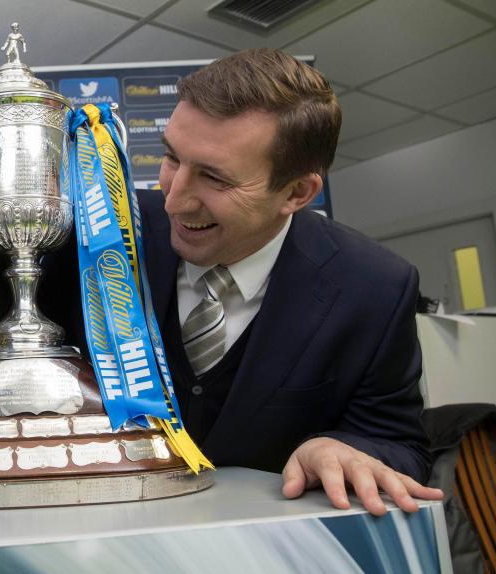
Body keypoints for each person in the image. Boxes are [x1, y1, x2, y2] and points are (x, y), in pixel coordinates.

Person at [140, 48, 443, 515]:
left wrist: (340, 449)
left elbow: (401, 445)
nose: (174, 200)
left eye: (214, 179)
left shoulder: (375, 288)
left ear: (297, 192)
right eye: (171, 158)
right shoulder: (109, 233)